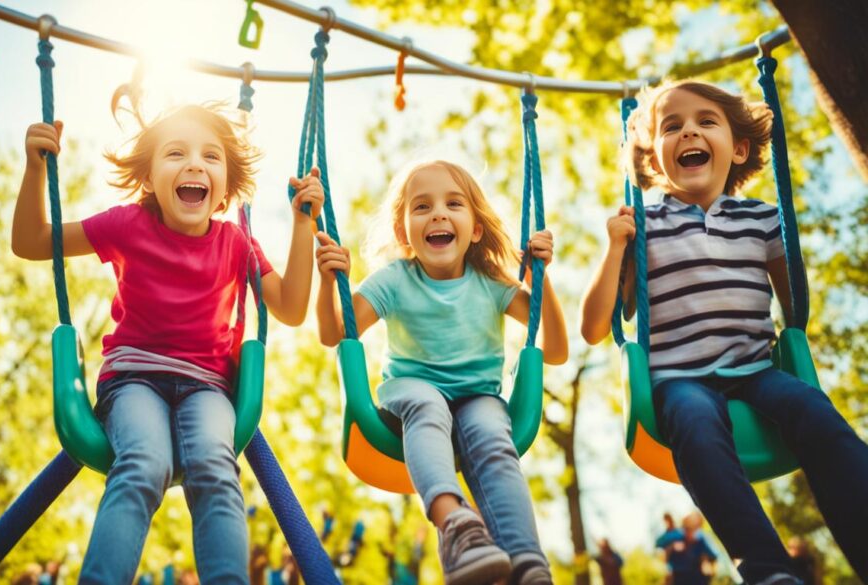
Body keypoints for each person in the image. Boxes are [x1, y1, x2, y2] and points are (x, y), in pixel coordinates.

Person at [12, 101, 325, 584]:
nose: (194, 164)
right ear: (151, 178)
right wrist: (36, 168)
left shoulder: (236, 244)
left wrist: (303, 223)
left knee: (216, 468)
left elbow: (290, 305)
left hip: (207, 390)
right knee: (143, 463)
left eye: (210, 157)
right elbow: (33, 241)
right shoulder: (127, 225)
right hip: (133, 381)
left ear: (224, 190)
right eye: (175, 153)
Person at [579, 79, 868, 584]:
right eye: (672, 127)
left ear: (737, 148)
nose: (688, 132)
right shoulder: (642, 225)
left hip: (756, 370)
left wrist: (787, 242)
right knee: (693, 418)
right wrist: (615, 248)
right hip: (678, 381)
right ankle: (767, 570)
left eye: (704, 122)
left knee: (813, 411)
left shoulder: (761, 220)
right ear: (653, 158)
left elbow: (794, 308)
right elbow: (593, 327)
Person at [316, 160, 568, 585]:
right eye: (422, 206)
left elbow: (556, 350)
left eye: (454, 203)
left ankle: (527, 561)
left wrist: (541, 282)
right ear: (403, 234)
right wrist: (328, 282)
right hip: (412, 393)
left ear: (474, 229)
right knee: (428, 404)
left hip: (477, 398)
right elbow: (335, 332)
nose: (438, 214)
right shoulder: (394, 279)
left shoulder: (492, 282)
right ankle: (455, 524)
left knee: (492, 436)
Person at [655, 513, 717, 585]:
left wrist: (708, 566)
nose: (689, 532)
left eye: (693, 528)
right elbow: (659, 547)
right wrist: (672, 546)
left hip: (697, 575)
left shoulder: (701, 539)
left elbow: (714, 556)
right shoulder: (674, 536)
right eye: (687, 528)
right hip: (677, 575)